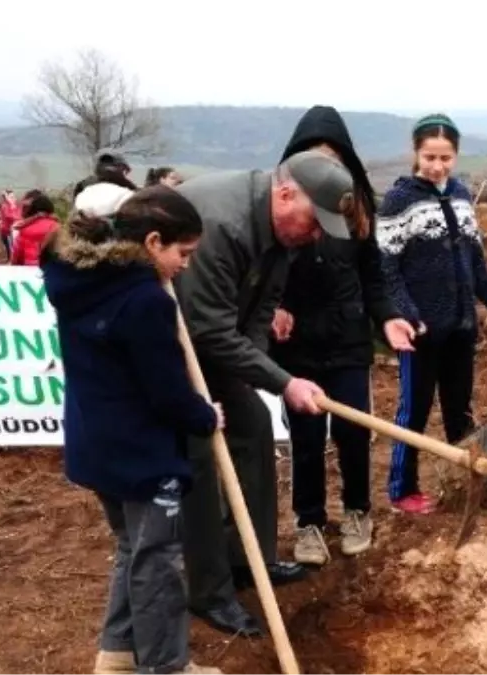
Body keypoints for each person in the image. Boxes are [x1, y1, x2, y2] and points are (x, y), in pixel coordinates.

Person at [171, 149, 357, 637]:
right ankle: (209, 590)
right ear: (285, 192)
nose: (315, 234)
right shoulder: (220, 225)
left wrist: (254, 376)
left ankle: (249, 560)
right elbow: (206, 327)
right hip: (171, 348)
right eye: (313, 221)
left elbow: (260, 309)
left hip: (216, 342)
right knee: (199, 452)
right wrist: (283, 381)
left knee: (252, 423)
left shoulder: (282, 232)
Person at [41, 186, 225, 675]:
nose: (185, 265)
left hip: (97, 445)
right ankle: (165, 667)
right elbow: (165, 390)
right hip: (141, 454)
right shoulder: (144, 301)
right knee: (159, 560)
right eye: (181, 254)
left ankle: (118, 654)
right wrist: (205, 416)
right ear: (152, 242)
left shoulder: (78, 280)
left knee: (132, 546)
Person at [270, 105, 416, 565]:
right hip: (299, 344)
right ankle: (309, 521)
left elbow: (374, 277)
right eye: (315, 157)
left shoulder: (357, 210)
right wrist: (274, 305)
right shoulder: (283, 208)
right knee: (306, 439)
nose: (325, 167)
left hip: (349, 340)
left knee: (354, 432)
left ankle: (357, 512)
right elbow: (265, 271)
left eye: (333, 158)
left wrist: (386, 317)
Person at [377, 113, 487, 515]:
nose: (437, 166)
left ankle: (465, 482)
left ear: (456, 156)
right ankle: (402, 490)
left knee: (459, 410)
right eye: (429, 157)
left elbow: (476, 267)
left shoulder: (460, 196)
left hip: (461, 328)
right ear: (416, 153)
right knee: (413, 412)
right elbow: (386, 270)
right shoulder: (399, 200)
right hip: (419, 332)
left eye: (445, 157)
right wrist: (407, 313)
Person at [9, 190, 61, 266]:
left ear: (32, 209)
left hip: (29, 271)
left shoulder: (24, 229)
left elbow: (16, 256)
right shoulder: (57, 227)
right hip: (50, 271)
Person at [0, 189, 21, 259]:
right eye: (11, 197)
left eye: (14, 197)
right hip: (7, 233)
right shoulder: (5, 206)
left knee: (14, 251)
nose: (14, 198)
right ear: (6, 198)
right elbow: (10, 217)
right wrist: (11, 204)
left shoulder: (16, 206)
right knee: (11, 252)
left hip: (14, 233)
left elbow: (20, 217)